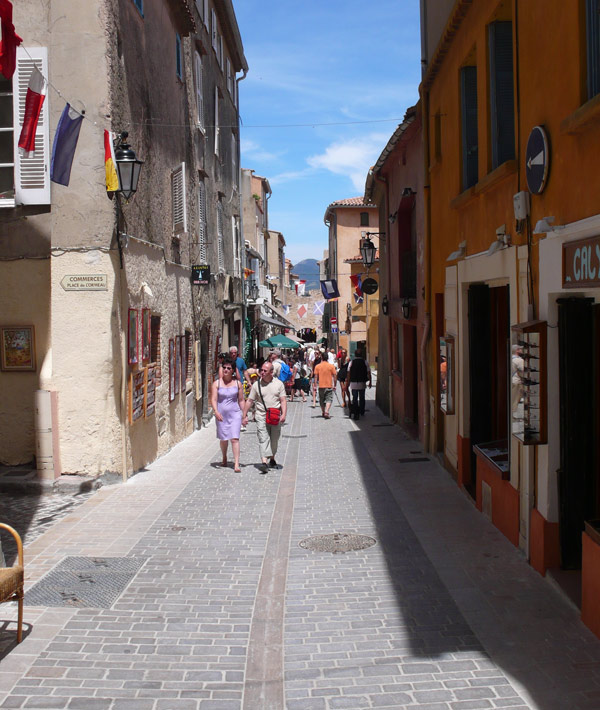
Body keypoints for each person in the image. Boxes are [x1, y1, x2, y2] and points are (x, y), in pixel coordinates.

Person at [242, 361, 287, 473]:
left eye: (264, 371)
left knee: (274, 439)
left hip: (275, 415)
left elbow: (283, 400)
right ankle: (264, 462)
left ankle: (272, 458)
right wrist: (244, 415)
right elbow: (250, 401)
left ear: (271, 372)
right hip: (261, 415)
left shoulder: (279, 384)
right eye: (261, 370)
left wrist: (284, 414)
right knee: (263, 438)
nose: (261, 372)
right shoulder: (256, 385)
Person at [210, 357, 244, 471]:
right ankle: (224, 457)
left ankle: (236, 464)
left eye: (228, 368)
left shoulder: (238, 384)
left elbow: (241, 400)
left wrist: (244, 414)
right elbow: (213, 399)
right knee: (223, 438)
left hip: (235, 414)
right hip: (221, 415)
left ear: (233, 370)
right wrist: (216, 411)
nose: (225, 370)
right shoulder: (217, 384)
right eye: (224, 367)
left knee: (235, 438)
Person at [346, 348, 371, 420]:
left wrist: (347, 382)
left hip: (353, 383)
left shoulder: (351, 362)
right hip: (362, 382)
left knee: (355, 398)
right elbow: (369, 372)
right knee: (362, 397)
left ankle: (356, 411)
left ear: (355, 355)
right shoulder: (365, 362)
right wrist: (370, 381)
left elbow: (348, 373)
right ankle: (362, 411)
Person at [314, 353, 337, 419]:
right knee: (329, 399)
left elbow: (316, 377)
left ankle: (323, 411)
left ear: (321, 358)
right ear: (328, 358)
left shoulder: (317, 366)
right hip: (329, 385)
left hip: (321, 386)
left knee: (321, 400)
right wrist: (335, 385)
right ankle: (326, 411)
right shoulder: (331, 366)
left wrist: (315, 386)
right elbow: (335, 376)